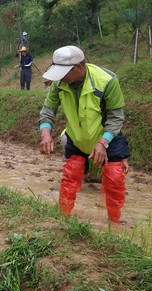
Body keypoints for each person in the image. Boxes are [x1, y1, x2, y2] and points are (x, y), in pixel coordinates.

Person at [38, 45, 130, 224]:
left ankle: (114, 222)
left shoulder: (107, 81)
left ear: (78, 67)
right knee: (70, 174)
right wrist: (45, 133)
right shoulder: (59, 84)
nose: (59, 79)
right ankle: (63, 219)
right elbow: (48, 110)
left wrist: (103, 142)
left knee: (114, 178)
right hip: (77, 137)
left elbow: (116, 118)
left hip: (106, 137)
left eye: (63, 74)